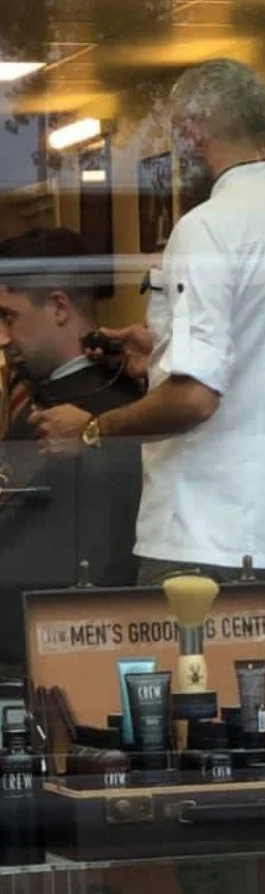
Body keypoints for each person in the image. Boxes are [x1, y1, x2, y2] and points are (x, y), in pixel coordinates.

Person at [34, 58, 265, 894]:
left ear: (191, 134)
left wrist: (93, 427)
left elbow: (198, 399)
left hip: (205, 536)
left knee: (193, 761)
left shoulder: (207, 229)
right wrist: (156, 349)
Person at [0, 228, 142, 679]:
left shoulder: (109, 412)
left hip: (56, 642)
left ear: (59, 306)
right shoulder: (39, 396)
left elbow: (98, 554)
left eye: (9, 316)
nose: (3, 337)